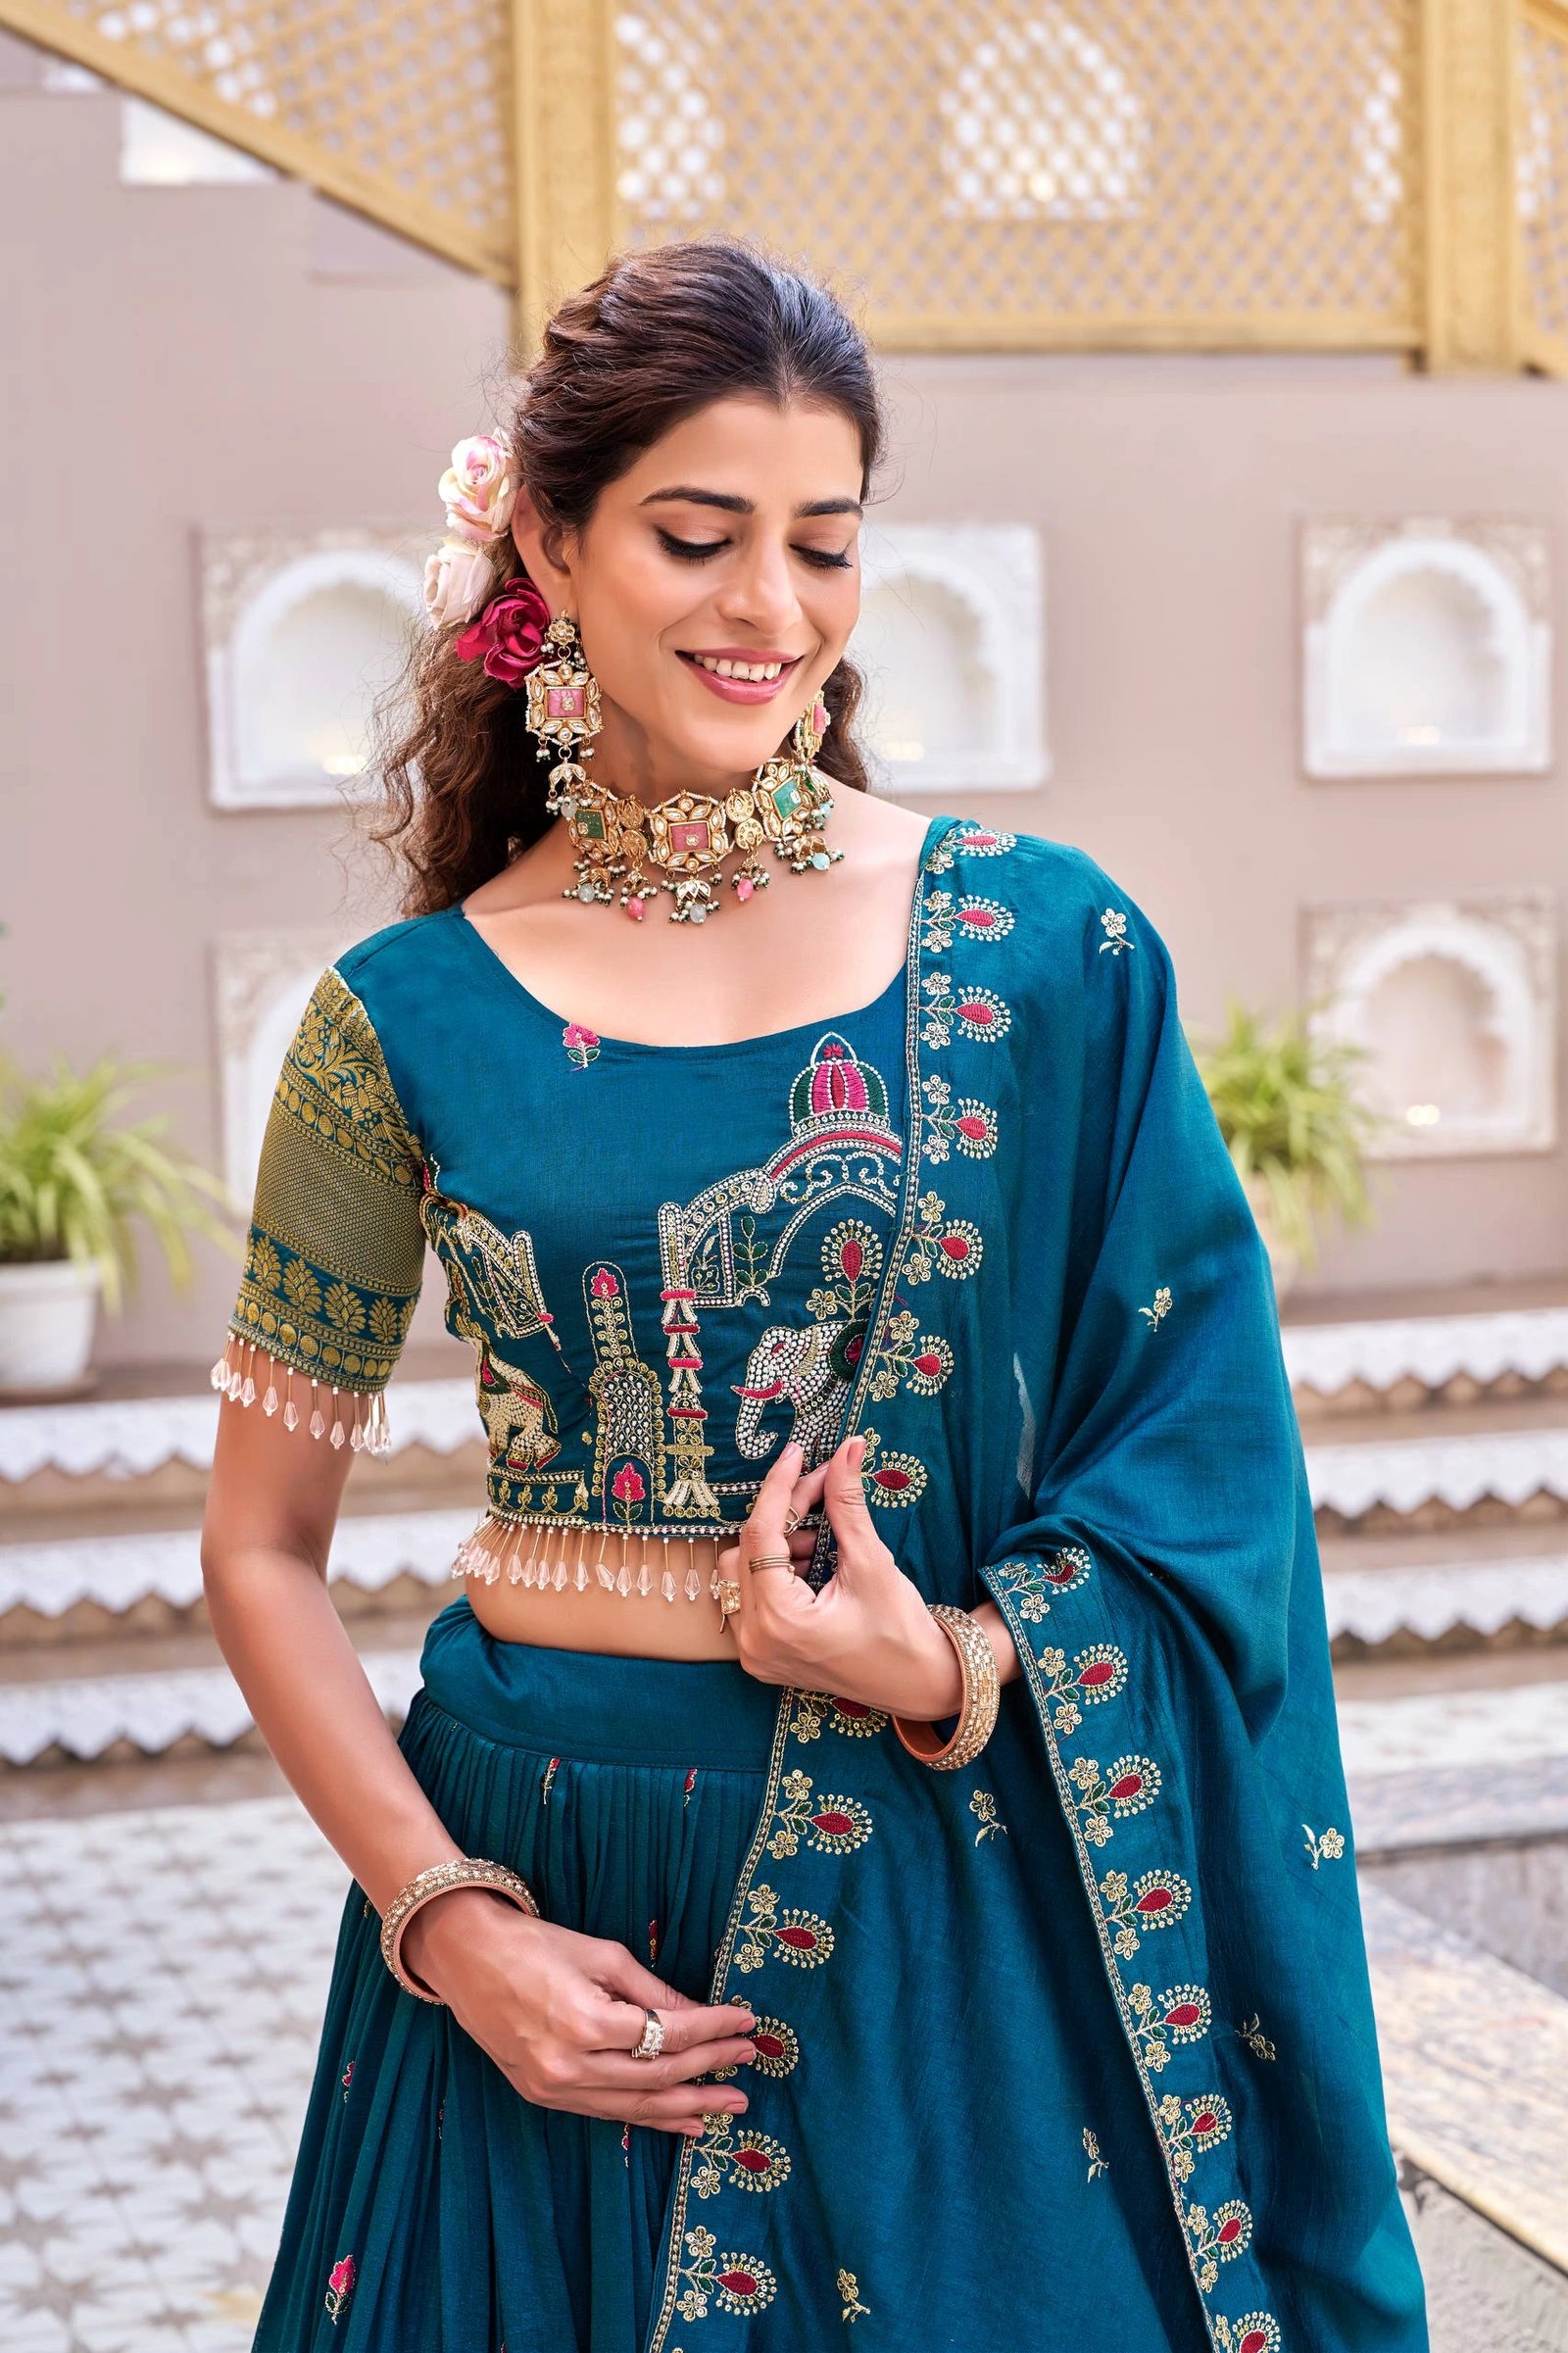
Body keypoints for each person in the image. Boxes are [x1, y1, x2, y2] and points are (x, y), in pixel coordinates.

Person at [201, 240, 1427, 2353]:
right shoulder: (395, 1020)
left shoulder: (1045, 954)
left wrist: (954, 1660)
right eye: (696, 535)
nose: (768, 607)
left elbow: (1208, 1468)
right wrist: (448, 1926)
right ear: (548, 541)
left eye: (823, 544)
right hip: (535, 1895)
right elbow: (258, 1548)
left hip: (926, 1891)